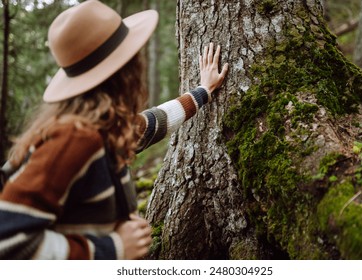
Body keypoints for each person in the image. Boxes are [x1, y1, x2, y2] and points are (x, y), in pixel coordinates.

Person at [0, 0, 228, 259]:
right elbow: (9, 241)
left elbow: (152, 124)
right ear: (125, 72)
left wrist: (202, 91)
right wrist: (112, 248)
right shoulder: (74, 139)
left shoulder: (104, 128)